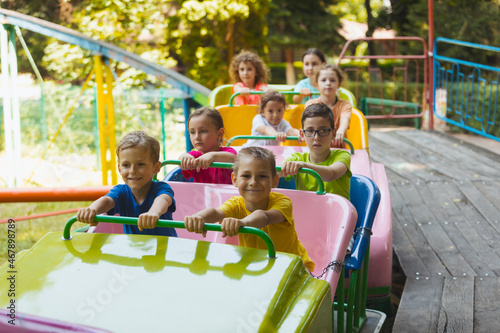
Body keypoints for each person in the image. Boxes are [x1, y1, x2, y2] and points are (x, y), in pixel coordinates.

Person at [184, 147, 315, 272]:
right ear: (234, 179)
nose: (253, 182)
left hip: (294, 266)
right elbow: (216, 212)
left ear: (275, 180)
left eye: (262, 176)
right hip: (258, 266)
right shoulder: (236, 204)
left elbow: (264, 217)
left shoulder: (283, 203)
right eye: (246, 176)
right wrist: (200, 217)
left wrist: (243, 223)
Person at [77, 131, 177, 236]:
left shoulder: (161, 188)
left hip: (165, 250)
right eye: (126, 165)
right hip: (135, 249)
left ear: (156, 167)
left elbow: (163, 200)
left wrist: (154, 213)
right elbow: (106, 200)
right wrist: (92, 209)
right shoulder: (121, 191)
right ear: (119, 168)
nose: (132, 170)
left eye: (140, 164)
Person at [281, 103, 352, 201]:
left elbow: (331, 173)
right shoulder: (297, 158)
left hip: (337, 213)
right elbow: (275, 174)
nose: (316, 137)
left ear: (333, 133)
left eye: (323, 131)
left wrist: (303, 166)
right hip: (309, 212)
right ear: (302, 134)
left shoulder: (342, 155)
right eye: (310, 131)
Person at [179, 107, 237, 184]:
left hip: (227, 195)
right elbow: (181, 163)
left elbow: (232, 158)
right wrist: (184, 157)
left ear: (219, 134)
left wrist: (212, 156)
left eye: (203, 131)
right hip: (201, 195)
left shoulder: (228, 152)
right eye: (192, 132)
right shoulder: (194, 156)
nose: (196, 137)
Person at [305, 64, 352, 148]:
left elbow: (345, 120)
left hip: (337, 149)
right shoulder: (310, 104)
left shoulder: (345, 105)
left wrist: (341, 130)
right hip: (316, 148)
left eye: (332, 80)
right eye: (323, 80)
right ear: (317, 85)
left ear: (338, 84)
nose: (328, 83)